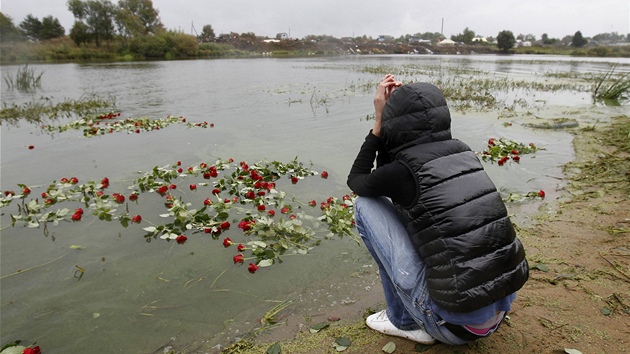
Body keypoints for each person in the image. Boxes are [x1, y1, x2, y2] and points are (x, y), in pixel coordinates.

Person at [347, 74, 529, 345]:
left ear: (393, 123)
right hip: (495, 314)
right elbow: (391, 174)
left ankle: (404, 320)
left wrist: (378, 124)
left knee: (365, 205)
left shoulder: (403, 172)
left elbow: (358, 181)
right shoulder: (463, 153)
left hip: (451, 327)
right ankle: (422, 313)